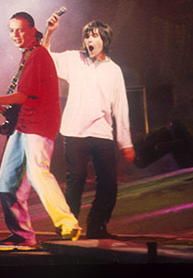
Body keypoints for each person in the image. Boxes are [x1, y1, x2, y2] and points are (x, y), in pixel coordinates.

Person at [0, 12, 81, 247]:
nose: (16, 35)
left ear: (33, 30)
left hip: (39, 126)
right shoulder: (27, 56)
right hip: (23, 126)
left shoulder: (38, 55)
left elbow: (22, 95)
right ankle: (23, 235)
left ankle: (68, 224)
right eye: (11, 30)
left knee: (38, 173)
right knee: (7, 180)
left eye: (21, 30)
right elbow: (16, 106)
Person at [43, 15, 135, 239]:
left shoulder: (114, 70)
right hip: (75, 132)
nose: (89, 41)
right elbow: (44, 59)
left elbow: (121, 108)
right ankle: (68, 225)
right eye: (86, 37)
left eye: (94, 36)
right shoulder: (75, 60)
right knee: (76, 179)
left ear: (104, 40)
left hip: (102, 133)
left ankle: (97, 227)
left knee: (108, 183)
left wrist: (126, 143)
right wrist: (50, 33)